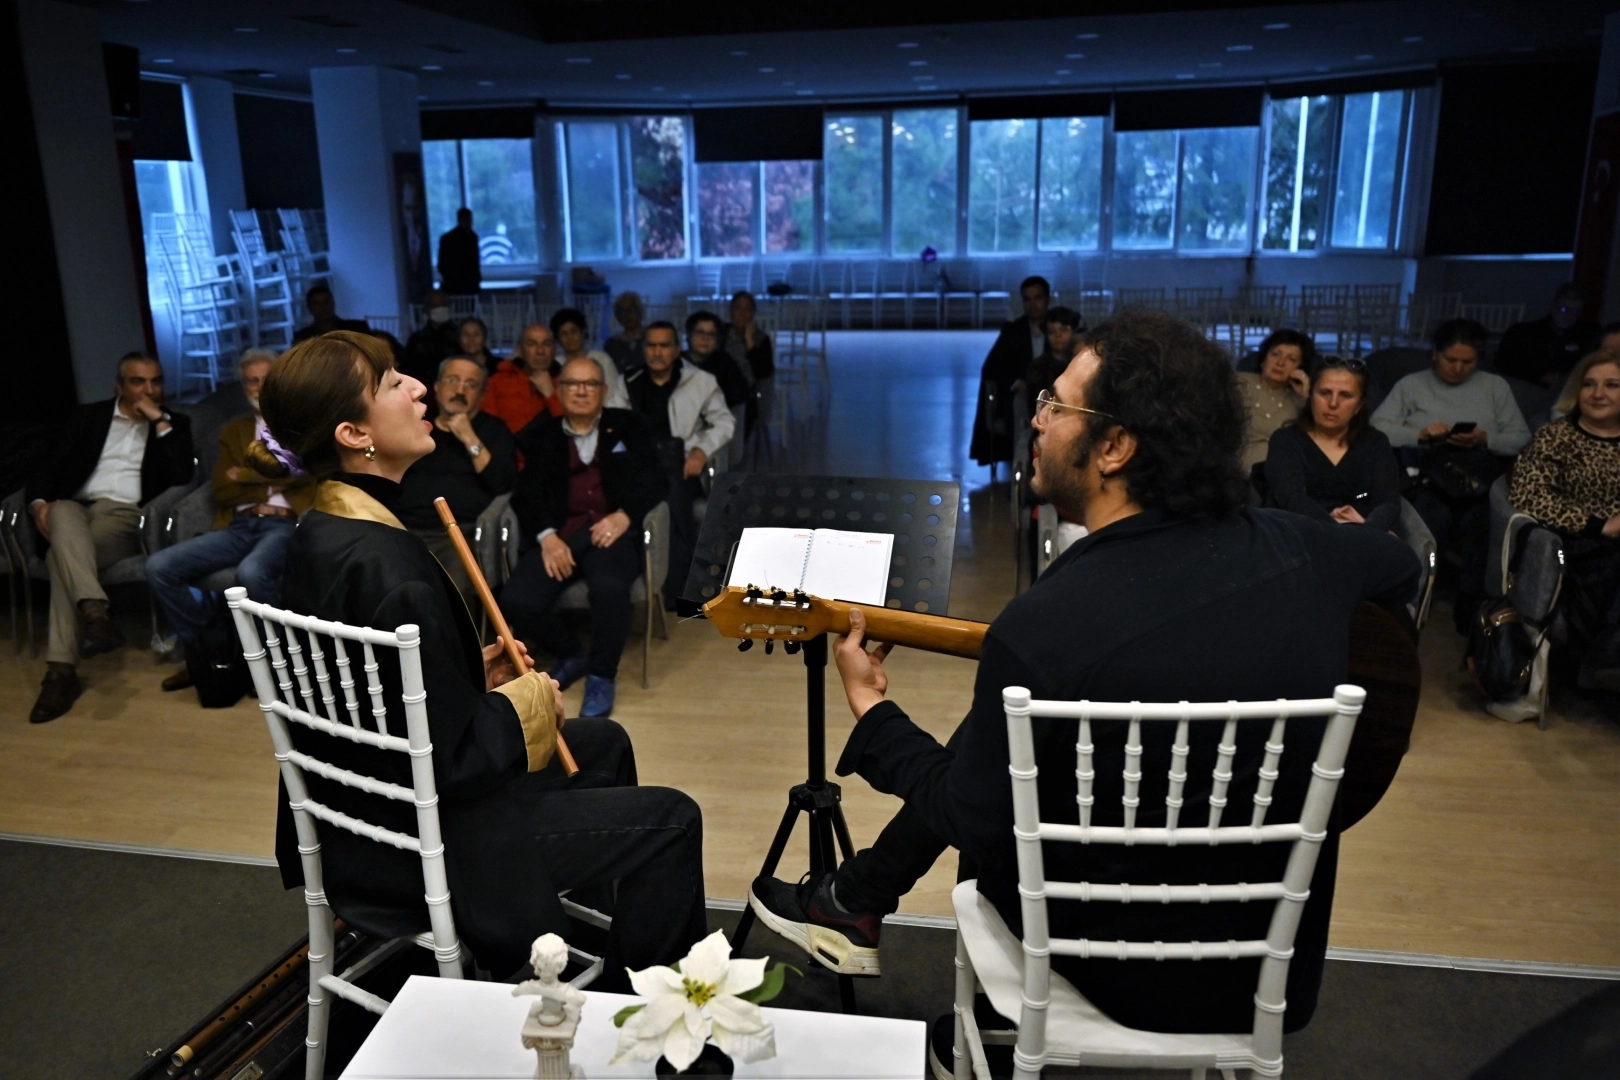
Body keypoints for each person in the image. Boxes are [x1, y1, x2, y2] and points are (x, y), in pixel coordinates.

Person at [747, 310, 1419, 1059]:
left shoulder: (1045, 625)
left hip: (1107, 967)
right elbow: (1400, 569)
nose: (1036, 420)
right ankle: (856, 900)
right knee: (1016, 737)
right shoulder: (1309, 551)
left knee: (1005, 775)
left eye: (1055, 405)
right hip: (1266, 963)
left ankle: (925, 964)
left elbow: (970, 820)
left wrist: (871, 707)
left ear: (1115, 447)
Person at [254, 329, 705, 982]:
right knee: (673, 818)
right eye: (392, 383)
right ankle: (638, 1006)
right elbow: (452, 762)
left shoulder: (324, 531)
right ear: (354, 434)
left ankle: (586, 945)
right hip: (423, 840)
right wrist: (525, 702)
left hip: (360, 810)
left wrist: (469, 676)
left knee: (604, 742)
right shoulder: (391, 569)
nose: (419, 388)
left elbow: (382, 699)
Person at [26, 352, 195, 723]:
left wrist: (159, 422)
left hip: (122, 518)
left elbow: (182, 475)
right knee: (61, 510)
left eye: (155, 381)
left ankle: (61, 673)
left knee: (59, 558)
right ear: (119, 386)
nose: (149, 390)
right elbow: (49, 465)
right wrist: (38, 505)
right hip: (73, 510)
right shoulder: (88, 417)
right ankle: (93, 611)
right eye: (138, 382)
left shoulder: (174, 424)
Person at [503, 357, 667, 719]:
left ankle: (601, 676)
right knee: (516, 600)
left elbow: (657, 480)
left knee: (609, 589)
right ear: (559, 390)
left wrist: (626, 514)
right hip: (562, 535)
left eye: (590, 384)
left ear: (604, 391)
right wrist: (547, 536)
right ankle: (572, 653)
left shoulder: (629, 427)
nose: (581, 391)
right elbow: (526, 494)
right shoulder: (542, 435)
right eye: (572, 384)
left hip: (612, 534)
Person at [146, 349, 315, 693]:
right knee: (159, 567)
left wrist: (248, 475)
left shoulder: (303, 426)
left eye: (266, 379)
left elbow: (303, 473)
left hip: (285, 525)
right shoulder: (233, 430)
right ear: (243, 386)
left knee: (250, 573)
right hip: (238, 527)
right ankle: (208, 651)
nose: (259, 387)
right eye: (251, 381)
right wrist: (272, 481)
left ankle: (278, 665)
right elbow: (222, 489)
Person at [1371, 319, 1530, 631]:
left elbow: (1522, 438)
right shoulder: (1411, 385)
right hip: (1428, 474)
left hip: (1478, 475)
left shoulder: (1495, 387)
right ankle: (1416, 596)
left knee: (1482, 523)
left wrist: (1485, 439)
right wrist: (1420, 434)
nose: (1457, 368)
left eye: (1467, 362)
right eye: (1450, 359)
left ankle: (1471, 608)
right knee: (1431, 518)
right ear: (1435, 354)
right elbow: (1377, 429)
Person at [1508, 349, 1620, 693]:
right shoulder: (1556, 436)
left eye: (1611, 385)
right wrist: (1599, 525)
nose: (1598, 393)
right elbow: (1527, 494)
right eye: (1589, 384)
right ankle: (1603, 663)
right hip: (1573, 545)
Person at [396, 356, 519, 618]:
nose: (460, 390)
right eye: (453, 381)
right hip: (403, 531)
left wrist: (469, 437)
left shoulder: (493, 430)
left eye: (471, 385)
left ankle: (452, 646)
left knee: (452, 595)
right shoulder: (415, 427)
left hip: (460, 534)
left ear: (482, 395)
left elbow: (502, 484)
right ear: (437, 387)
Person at [624, 321, 735, 606]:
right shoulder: (629, 381)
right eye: (651, 345)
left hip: (681, 464)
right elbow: (612, 424)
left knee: (671, 496)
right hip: (637, 467)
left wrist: (701, 451)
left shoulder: (700, 381)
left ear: (676, 349)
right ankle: (642, 583)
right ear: (644, 349)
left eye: (664, 345)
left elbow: (725, 422)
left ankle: (677, 588)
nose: (657, 352)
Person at [1264, 358, 1401, 533]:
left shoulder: (1376, 443)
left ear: (1359, 405)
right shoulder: (1285, 440)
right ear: (1311, 396)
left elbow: (1388, 502)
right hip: (1300, 533)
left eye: (1345, 395)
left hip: (1363, 533)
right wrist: (1339, 534)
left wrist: (1367, 534)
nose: (1333, 403)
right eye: (1325, 393)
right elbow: (1291, 498)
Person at [972, 276, 1050, 468]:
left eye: (1038, 298)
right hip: (1023, 394)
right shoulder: (1013, 331)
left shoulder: (1059, 328)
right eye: (1027, 299)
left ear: (1048, 299)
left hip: (1053, 395)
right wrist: (1016, 383)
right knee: (1020, 404)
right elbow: (992, 367)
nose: (1033, 304)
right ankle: (1021, 464)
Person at [1493, 282, 1602, 389]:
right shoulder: (1522, 333)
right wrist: (1539, 377)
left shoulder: (1589, 335)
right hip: (1530, 386)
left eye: (1575, 311)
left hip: (1571, 388)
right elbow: (1503, 364)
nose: (1569, 316)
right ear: (1553, 306)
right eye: (1564, 309)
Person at [1237, 329, 1314, 473]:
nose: (1280, 363)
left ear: (1300, 369)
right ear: (1263, 360)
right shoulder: (1238, 383)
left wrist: (1307, 396)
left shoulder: (1300, 401)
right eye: (1275, 354)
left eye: (1291, 359)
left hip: (1283, 475)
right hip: (1237, 472)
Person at [722, 291, 775, 463]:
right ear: (731, 311)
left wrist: (750, 343)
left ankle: (731, 461)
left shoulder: (761, 339)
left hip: (745, 395)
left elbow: (764, 372)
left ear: (753, 313)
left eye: (747, 309)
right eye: (738, 308)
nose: (742, 313)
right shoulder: (720, 334)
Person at [484, 323, 563, 435]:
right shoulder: (498, 381)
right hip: (506, 445)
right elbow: (487, 427)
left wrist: (551, 395)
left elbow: (572, 431)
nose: (540, 351)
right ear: (520, 350)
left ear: (554, 350)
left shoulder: (567, 382)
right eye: (532, 344)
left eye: (547, 344)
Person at [550, 308, 630, 409]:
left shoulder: (602, 359)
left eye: (574, 331)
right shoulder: (555, 364)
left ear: (583, 332)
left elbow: (613, 396)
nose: (570, 337)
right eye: (564, 334)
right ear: (558, 339)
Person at [1023, 305, 1082, 411]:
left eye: (1064, 329)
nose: (1057, 335)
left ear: (1074, 331)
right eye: (1051, 331)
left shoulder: (1081, 364)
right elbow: (1036, 405)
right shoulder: (1038, 367)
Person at [400, 289, 461, 387]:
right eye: (435, 306)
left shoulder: (461, 335)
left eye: (443, 305)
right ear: (426, 310)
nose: (440, 309)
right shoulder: (416, 339)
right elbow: (408, 368)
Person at [292, 284, 370, 342]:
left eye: (326, 301)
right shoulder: (302, 338)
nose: (322, 307)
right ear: (309, 308)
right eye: (317, 303)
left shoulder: (357, 329)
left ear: (333, 303)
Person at [437, 206, 481, 296]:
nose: (469, 222)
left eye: (469, 220)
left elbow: (475, 262)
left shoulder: (448, 238)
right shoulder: (472, 237)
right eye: (466, 219)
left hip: (457, 284)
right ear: (459, 220)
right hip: (459, 284)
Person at [603, 291, 648, 375]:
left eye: (632, 309)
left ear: (639, 311)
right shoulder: (611, 344)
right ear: (618, 316)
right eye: (622, 311)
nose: (627, 314)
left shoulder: (652, 339)